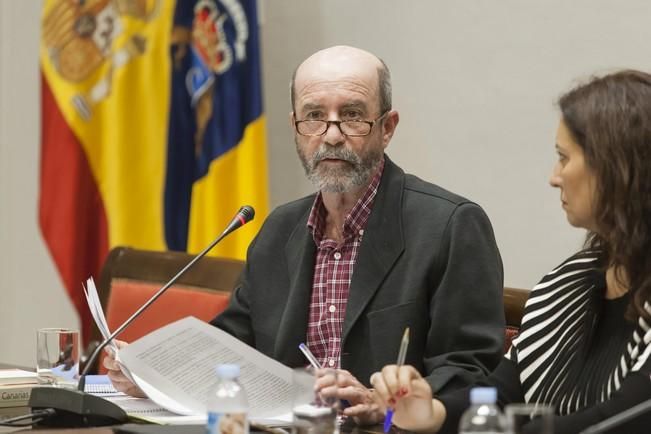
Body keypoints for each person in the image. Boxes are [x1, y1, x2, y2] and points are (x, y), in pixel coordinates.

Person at [105, 45, 505, 424]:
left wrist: (382, 403)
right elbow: (231, 347)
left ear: (387, 128)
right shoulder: (280, 230)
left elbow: (470, 372)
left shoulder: (449, 226)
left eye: (351, 115)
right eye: (314, 116)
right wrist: (150, 372)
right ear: (296, 128)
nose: (331, 135)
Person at [370, 70, 651, 434]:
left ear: (616, 167)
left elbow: (622, 421)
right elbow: (501, 394)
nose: (555, 176)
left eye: (564, 158)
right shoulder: (571, 282)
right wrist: (432, 411)